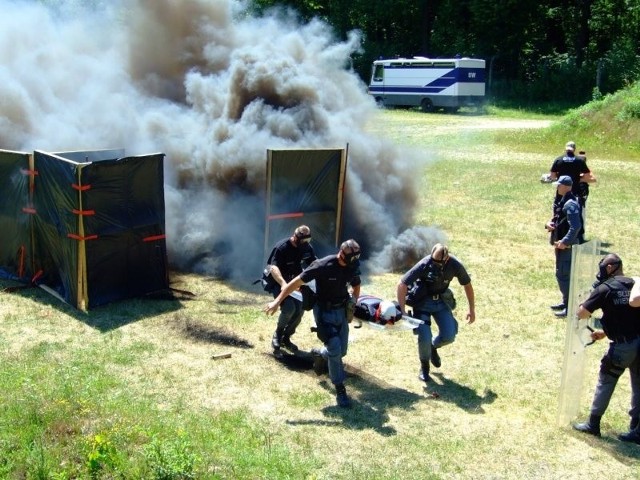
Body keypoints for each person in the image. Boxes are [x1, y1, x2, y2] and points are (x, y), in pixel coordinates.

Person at [265, 239, 362, 408]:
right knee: (335, 348)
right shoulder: (321, 266)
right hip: (323, 311)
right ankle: (340, 390)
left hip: (341, 311)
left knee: (341, 351)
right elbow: (294, 283)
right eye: (351, 259)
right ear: (342, 255)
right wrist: (277, 301)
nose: (353, 263)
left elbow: (356, 284)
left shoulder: (352, 265)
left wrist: (353, 302)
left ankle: (320, 354)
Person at [572, 254, 640, 442]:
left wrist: (582, 303)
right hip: (639, 343)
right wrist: (606, 332)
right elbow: (629, 317)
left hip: (622, 347)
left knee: (606, 381)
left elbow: (583, 313)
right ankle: (637, 429)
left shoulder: (605, 289)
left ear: (610, 267)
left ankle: (593, 424)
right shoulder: (635, 285)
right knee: (638, 385)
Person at [396, 243, 475, 383]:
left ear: (447, 259)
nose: (435, 265)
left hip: (441, 302)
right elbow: (402, 284)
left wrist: (471, 309)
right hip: (423, 304)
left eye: (438, 262)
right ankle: (424, 367)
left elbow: (467, 284)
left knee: (449, 335)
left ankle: (433, 347)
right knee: (424, 337)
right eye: (433, 261)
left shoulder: (454, 265)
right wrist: (402, 312)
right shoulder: (425, 263)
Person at [264, 225, 316, 354]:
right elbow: (273, 268)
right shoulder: (282, 247)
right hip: (278, 282)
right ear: (295, 236)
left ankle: (286, 338)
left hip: (294, 282)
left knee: (300, 309)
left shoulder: (307, 248)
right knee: (289, 308)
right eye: (303, 240)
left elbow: (314, 264)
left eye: (308, 240)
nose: (305, 243)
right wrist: (283, 283)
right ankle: (277, 334)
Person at [545, 175, 583, 317]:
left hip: (567, 248)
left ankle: (570, 306)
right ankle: (565, 301)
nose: (557, 187)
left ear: (566, 186)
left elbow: (576, 226)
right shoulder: (563, 201)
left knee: (564, 276)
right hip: (561, 246)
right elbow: (559, 219)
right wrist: (548, 224)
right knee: (563, 274)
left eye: (559, 185)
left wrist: (565, 242)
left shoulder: (570, 203)